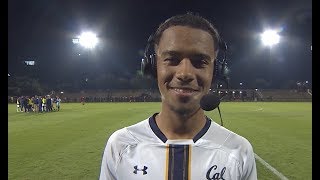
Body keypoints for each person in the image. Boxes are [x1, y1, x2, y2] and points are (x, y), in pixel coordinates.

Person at [99, 12, 257, 180]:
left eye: (200, 62)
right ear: (153, 67)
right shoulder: (120, 146)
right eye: (172, 59)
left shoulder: (239, 151)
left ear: (215, 71)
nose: (185, 73)